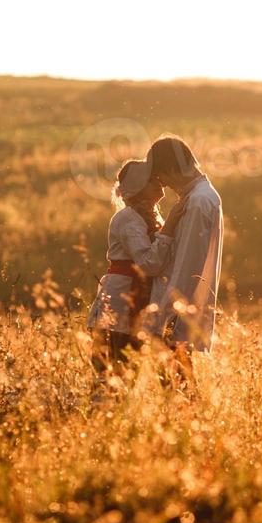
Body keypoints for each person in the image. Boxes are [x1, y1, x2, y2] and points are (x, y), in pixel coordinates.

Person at [142, 136, 224, 375]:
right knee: (177, 382)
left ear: (171, 170)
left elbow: (188, 264)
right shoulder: (200, 196)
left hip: (178, 309)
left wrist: (168, 312)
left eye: (162, 178)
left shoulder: (198, 202)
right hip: (181, 307)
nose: (164, 186)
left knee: (175, 384)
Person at [86, 159, 173, 371]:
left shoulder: (151, 215)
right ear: (140, 188)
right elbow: (148, 263)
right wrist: (170, 230)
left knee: (129, 368)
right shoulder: (128, 219)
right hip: (120, 301)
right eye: (153, 179)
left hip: (137, 297)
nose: (159, 182)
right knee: (113, 367)